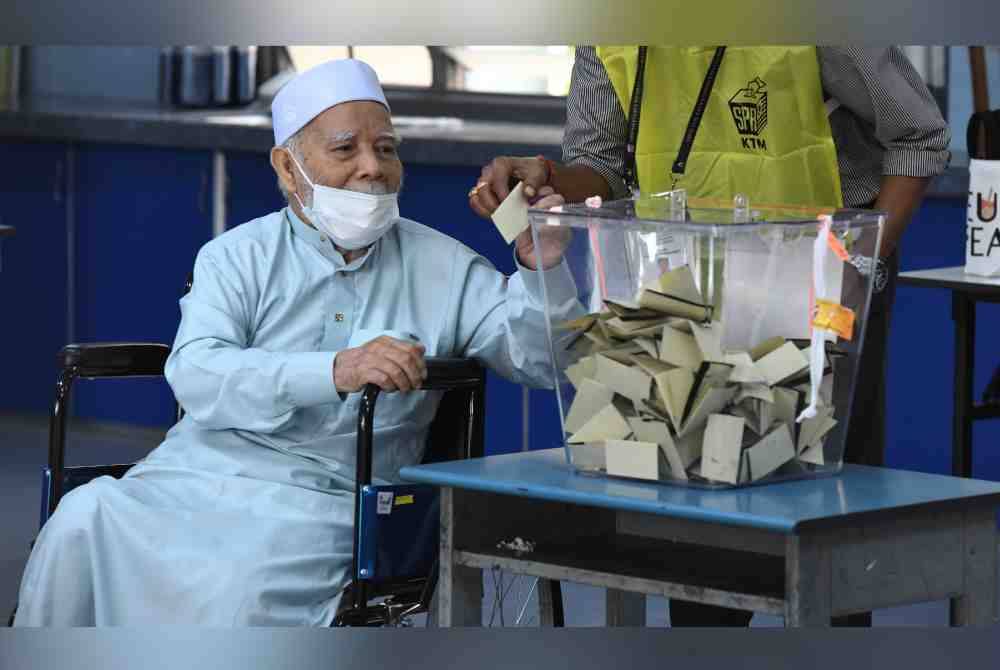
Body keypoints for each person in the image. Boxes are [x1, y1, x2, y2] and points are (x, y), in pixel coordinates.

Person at [14, 58, 574, 626]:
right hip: (195, 475)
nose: (371, 169)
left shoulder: (445, 266)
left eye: (386, 149)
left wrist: (542, 272)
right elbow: (199, 373)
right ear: (288, 167)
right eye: (345, 149)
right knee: (79, 521)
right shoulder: (236, 256)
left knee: (237, 589)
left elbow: (542, 363)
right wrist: (334, 370)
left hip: (325, 506)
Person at [470, 46, 952, 627]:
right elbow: (602, 164)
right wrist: (549, 178)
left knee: (822, 512)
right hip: (681, 282)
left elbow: (919, 137)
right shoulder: (609, 37)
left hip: (818, 280)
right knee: (693, 524)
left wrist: (857, 269)